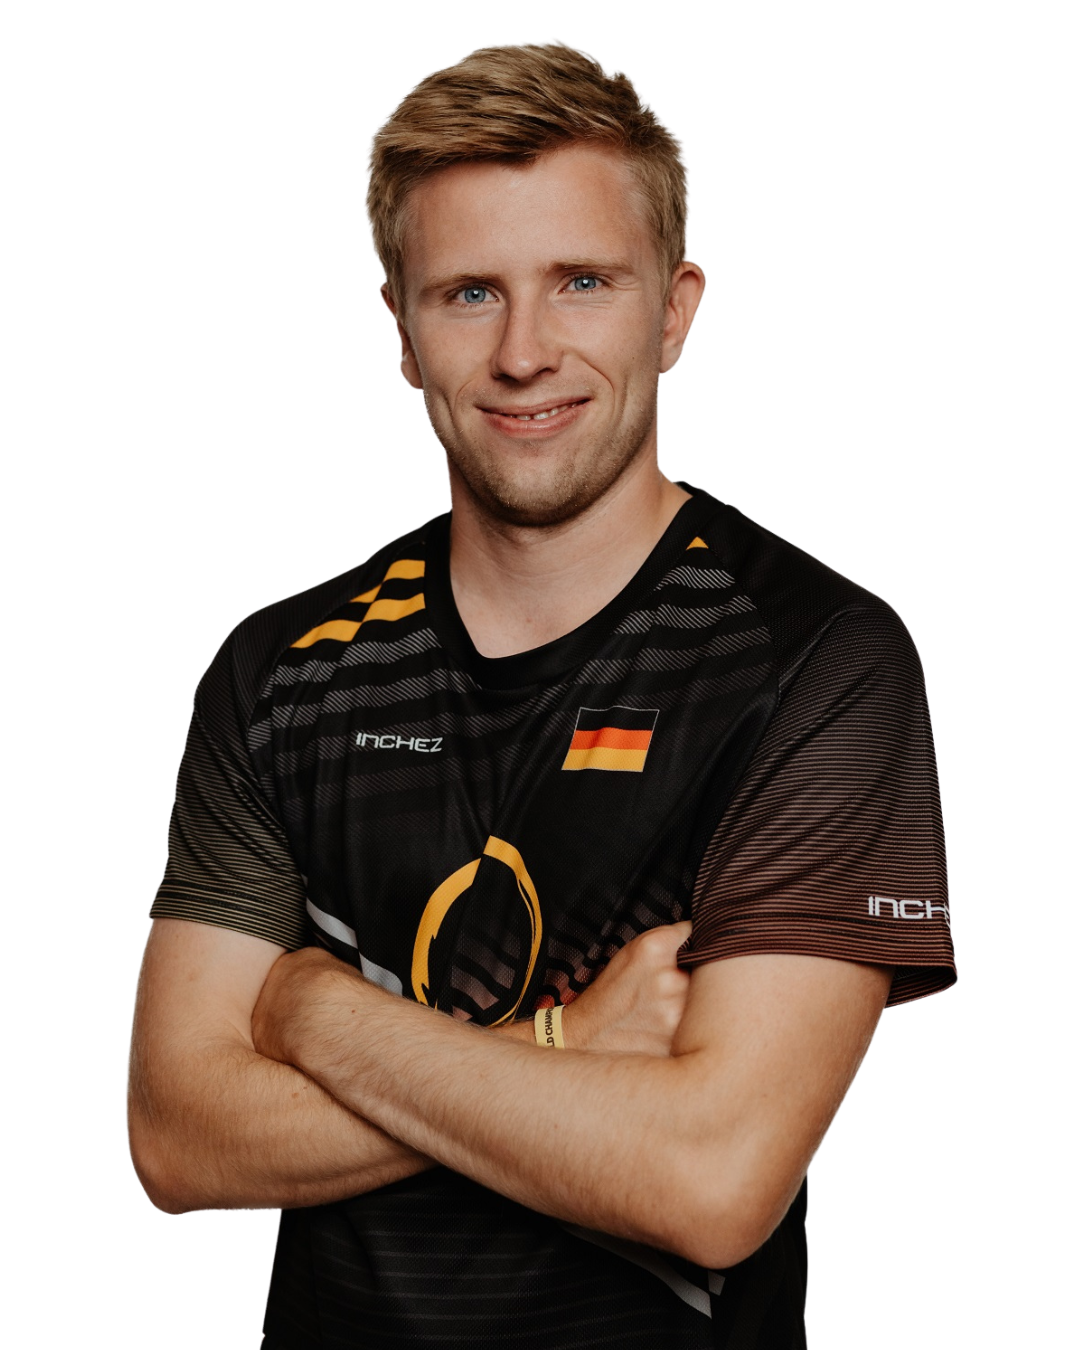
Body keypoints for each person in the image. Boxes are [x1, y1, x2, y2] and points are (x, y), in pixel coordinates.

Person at [126, 39, 955, 1348]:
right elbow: (178, 1137)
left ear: (674, 311)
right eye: (469, 293)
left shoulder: (815, 655)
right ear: (401, 334)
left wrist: (311, 1010)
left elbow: (711, 1177)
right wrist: (564, 1044)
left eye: (581, 282)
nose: (525, 352)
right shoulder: (279, 665)